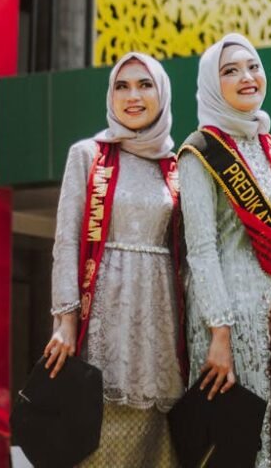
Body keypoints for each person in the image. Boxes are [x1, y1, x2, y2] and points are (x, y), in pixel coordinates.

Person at [178, 33, 271, 468]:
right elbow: (201, 249)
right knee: (242, 437)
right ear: (211, 84)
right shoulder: (198, 151)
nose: (246, 77)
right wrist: (219, 333)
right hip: (230, 317)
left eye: (253, 67)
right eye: (230, 71)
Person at [46, 52, 185, 467]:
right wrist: (66, 321)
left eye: (145, 85)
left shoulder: (176, 166)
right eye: (122, 86)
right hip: (104, 318)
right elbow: (67, 241)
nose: (133, 96)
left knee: (158, 442)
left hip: (160, 320)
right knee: (99, 439)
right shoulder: (88, 154)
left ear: (162, 93)